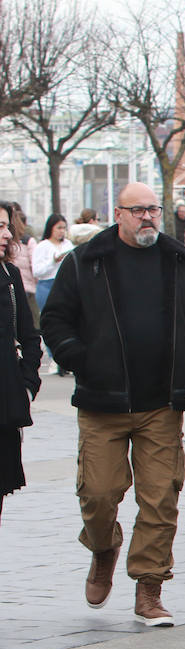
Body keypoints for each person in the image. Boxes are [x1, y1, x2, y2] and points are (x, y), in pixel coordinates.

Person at [41, 183, 185, 627]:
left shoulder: (182, 261)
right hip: (102, 402)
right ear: (118, 213)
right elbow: (55, 318)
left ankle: (149, 587)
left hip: (161, 402)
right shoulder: (86, 260)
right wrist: (81, 358)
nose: (147, 217)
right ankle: (103, 547)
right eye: (138, 210)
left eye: (153, 209)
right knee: (98, 493)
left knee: (161, 497)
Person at [0, 204, 42, 523]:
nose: (6, 234)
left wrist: (27, 385)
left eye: (6, 226)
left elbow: (29, 336)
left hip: (4, 407)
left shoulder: (10, 276)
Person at [31, 214, 74, 315]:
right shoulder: (42, 246)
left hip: (65, 284)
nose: (62, 231)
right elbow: (37, 272)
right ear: (51, 228)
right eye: (59, 228)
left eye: (64, 228)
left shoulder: (68, 244)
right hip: (47, 286)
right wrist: (53, 261)